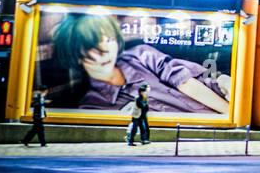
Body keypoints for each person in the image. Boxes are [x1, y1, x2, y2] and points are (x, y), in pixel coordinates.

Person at [51, 12, 230, 114]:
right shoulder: (93, 105)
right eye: (93, 46)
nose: (106, 51)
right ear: (75, 53)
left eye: (109, 39)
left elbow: (184, 80)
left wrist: (230, 112)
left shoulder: (140, 55)